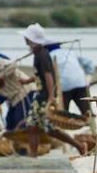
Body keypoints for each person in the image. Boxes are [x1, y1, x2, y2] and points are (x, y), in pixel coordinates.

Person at [18, 23, 87, 157]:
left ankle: (79, 145)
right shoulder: (38, 54)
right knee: (32, 126)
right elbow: (40, 76)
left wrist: (51, 97)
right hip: (39, 96)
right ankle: (33, 155)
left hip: (44, 97)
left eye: (27, 38)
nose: (25, 41)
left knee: (51, 130)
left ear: (32, 40)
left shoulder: (42, 55)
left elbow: (48, 76)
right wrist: (27, 81)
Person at [46, 41, 94, 118]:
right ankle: (93, 128)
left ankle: (62, 126)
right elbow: (88, 62)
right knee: (87, 111)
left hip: (63, 88)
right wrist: (88, 77)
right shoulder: (70, 52)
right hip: (81, 83)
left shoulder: (49, 56)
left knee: (62, 113)